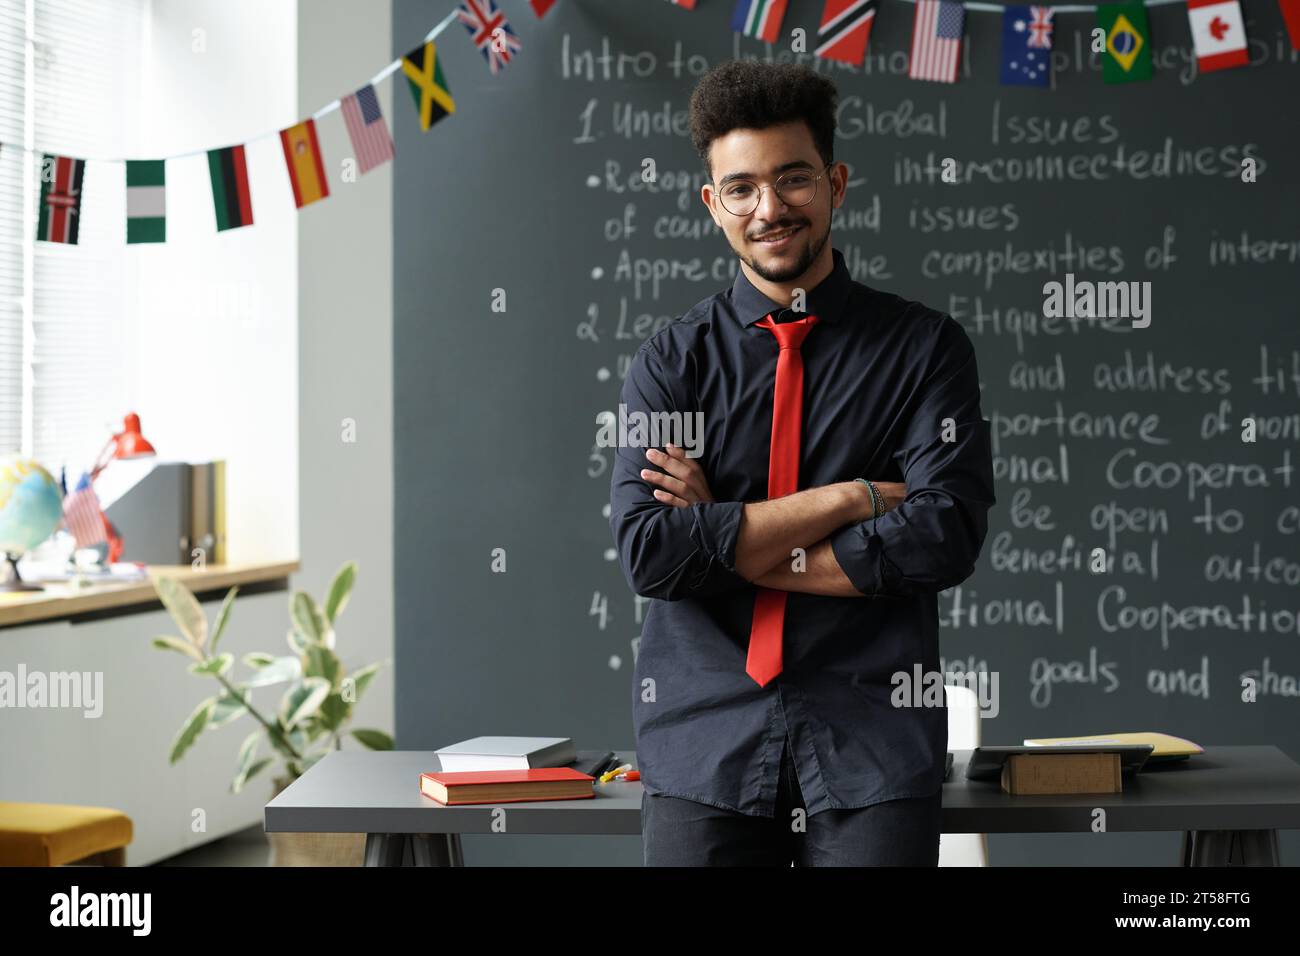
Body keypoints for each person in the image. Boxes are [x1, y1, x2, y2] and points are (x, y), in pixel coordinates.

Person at [608, 60, 996, 866]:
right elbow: (651, 553)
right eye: (742, 188)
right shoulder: (671, 364)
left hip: (874, 737)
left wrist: (725, 537)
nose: (770, 208)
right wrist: (853, 497)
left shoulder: (924, 351)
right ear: (714, 205)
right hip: (701, 737)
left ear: (836, 183)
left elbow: (943, 536)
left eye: (793, 179)